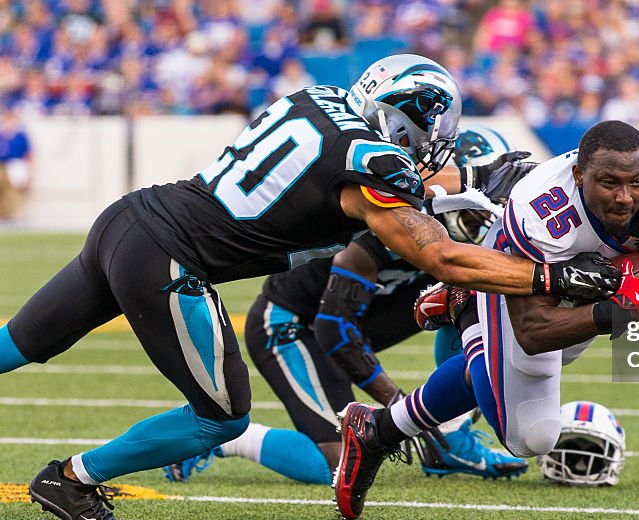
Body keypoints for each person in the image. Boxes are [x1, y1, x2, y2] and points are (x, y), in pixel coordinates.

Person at [2, 54, 620, 520]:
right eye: (431, 127)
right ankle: (71, 479)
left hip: (130, 218)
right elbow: (439, 256)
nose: (433, 143)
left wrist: (441, 194)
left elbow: (340, 185)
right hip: (168, 256)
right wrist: (552, 277)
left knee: (22, 342)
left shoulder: (317, 101)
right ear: (402, 114)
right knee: (222, 417)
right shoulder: (372, 163)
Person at [333, 120, 639, 520]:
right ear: (579, 176)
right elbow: (535, 333)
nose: (625, 197)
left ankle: (374, 430)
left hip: (591, 284)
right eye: (609, 183)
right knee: (529, 436)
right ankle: (474, 299)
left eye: (635, 183)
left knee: (514, 364)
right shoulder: (543, 209)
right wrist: (616, 313)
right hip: (527, 275)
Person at [163, 128, 528, 485]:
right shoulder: (390, 215)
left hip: (352, 323)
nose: (485, 217)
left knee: (473, 300)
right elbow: (333, 327)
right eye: (476, 204)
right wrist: (402, 410)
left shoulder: (447, 235)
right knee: (335, 464)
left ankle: (454, 436)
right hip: (293, 326)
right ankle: (229, 441)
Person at [0, 109, 31, 220]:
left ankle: (13, 214)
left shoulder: (21, 136)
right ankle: (3, 214)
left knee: (14, 190)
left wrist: (29, 171)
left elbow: (28, 155)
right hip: (2, 164)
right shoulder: (2, 136)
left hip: (15, 164)